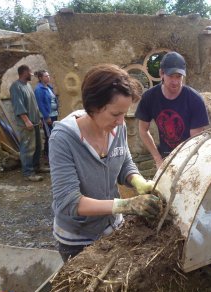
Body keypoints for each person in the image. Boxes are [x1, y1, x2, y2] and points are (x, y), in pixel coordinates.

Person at [49, 64, 161, 262]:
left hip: (113, 227)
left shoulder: (118, 128)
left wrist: (138, 181)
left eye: (124, 114)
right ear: (93, 107)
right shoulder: (63, 139)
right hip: (78, 238)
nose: (121, 121)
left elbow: (124, 161)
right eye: (115, 114)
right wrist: (126, 205)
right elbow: (69, 201)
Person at [135, 51, 209, 169]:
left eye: (179, 76)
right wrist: (158, 159)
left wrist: (183, 164)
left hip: (190, 157)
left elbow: (195, 139)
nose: (175, 82)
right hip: (165, 156)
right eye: (171, 76)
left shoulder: (195, 100)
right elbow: (143, 130)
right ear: (161, 73)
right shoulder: (149, 97)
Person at [10, 65, 48, 182]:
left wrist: (39, 119)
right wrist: (26, 120)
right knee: (27, 148)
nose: (31, 75)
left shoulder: (28, 86)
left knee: (37, 146)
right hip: (26, 124)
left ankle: (36, 167)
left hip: (35, 122)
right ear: (24, 72)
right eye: (30, 73)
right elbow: (18, 106)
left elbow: (34, 105)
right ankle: (28, 173)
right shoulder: (16, 87)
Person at [34, 69, 59, 160]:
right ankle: (47, 156)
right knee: (50, 136)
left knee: (54, 134)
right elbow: (40, 104)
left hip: (54, 114)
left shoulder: (49, 87)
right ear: (40, 78)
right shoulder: (39, 89)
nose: (48, 77)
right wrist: (46, 116)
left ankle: (53, 154)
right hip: (47, 116)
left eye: (48, 75)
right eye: (45, 76)